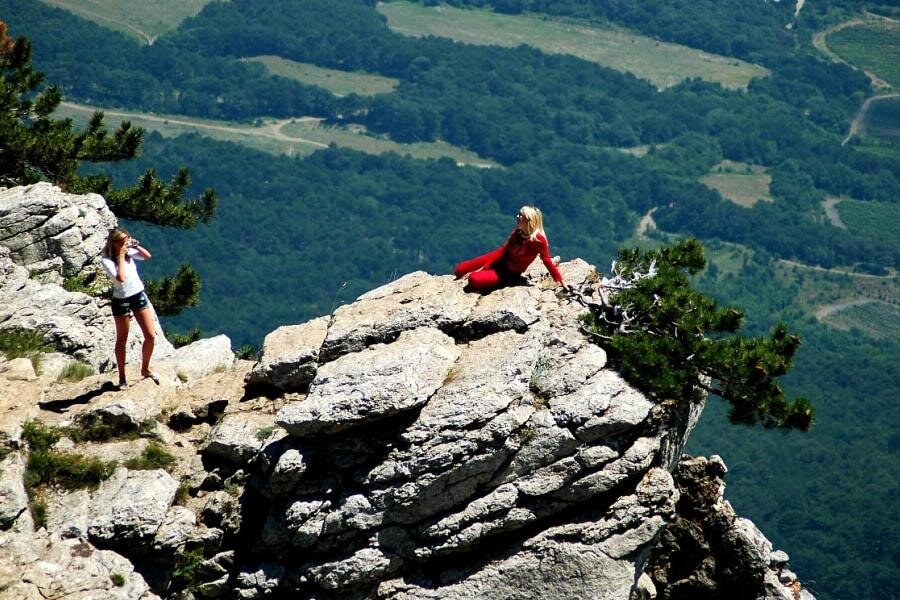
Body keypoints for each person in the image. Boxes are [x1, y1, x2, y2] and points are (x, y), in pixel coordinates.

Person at [455, 205, 571, 292]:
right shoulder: (517, 233)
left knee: (473, 279)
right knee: (460, 270)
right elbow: (503, 250)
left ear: (528, 220)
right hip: (500, 258)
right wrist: (485, 267)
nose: (517, 216)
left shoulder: (538, 240)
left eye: (521, 215)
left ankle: (502, 281)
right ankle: (487, 273)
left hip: (509, 272)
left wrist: (560, 280)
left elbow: (546, 260)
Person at [101, 228, 159, 389]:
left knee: (150, 335)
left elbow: (147, 256)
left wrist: (136, 246)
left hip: (138, 295)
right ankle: (122, 377)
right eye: (123, 241)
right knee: (122, 338)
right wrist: (120, 255)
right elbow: (121, 278)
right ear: (115, 243)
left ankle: (145, 368)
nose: (126, 243)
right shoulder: (107, 260)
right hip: (121, 300)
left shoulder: (129, 253)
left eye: (128, 239)